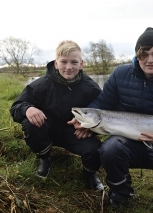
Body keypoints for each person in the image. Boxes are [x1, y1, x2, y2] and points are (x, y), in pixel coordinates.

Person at [72, 27, 153, 207]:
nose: (150, 60)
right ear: (137, 56)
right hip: (127, 144)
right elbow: (102, 103)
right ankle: (121, 191)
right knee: (109, 149)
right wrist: (83, 119)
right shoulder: (120, 74)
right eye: (144, 54)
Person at [10, 40, 104, 191]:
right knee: (30, 123)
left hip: (76, 132)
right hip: (47, 129)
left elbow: (102, 114)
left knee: (95, 148)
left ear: (81, 64)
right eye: (64, 62)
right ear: (55, 63)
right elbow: (16, 107)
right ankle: (45, 159)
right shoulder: (41, 85)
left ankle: (90, 174)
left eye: (74, 62)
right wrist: (27, 109)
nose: (69, 67)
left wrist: (90, 129)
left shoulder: (91, 88)